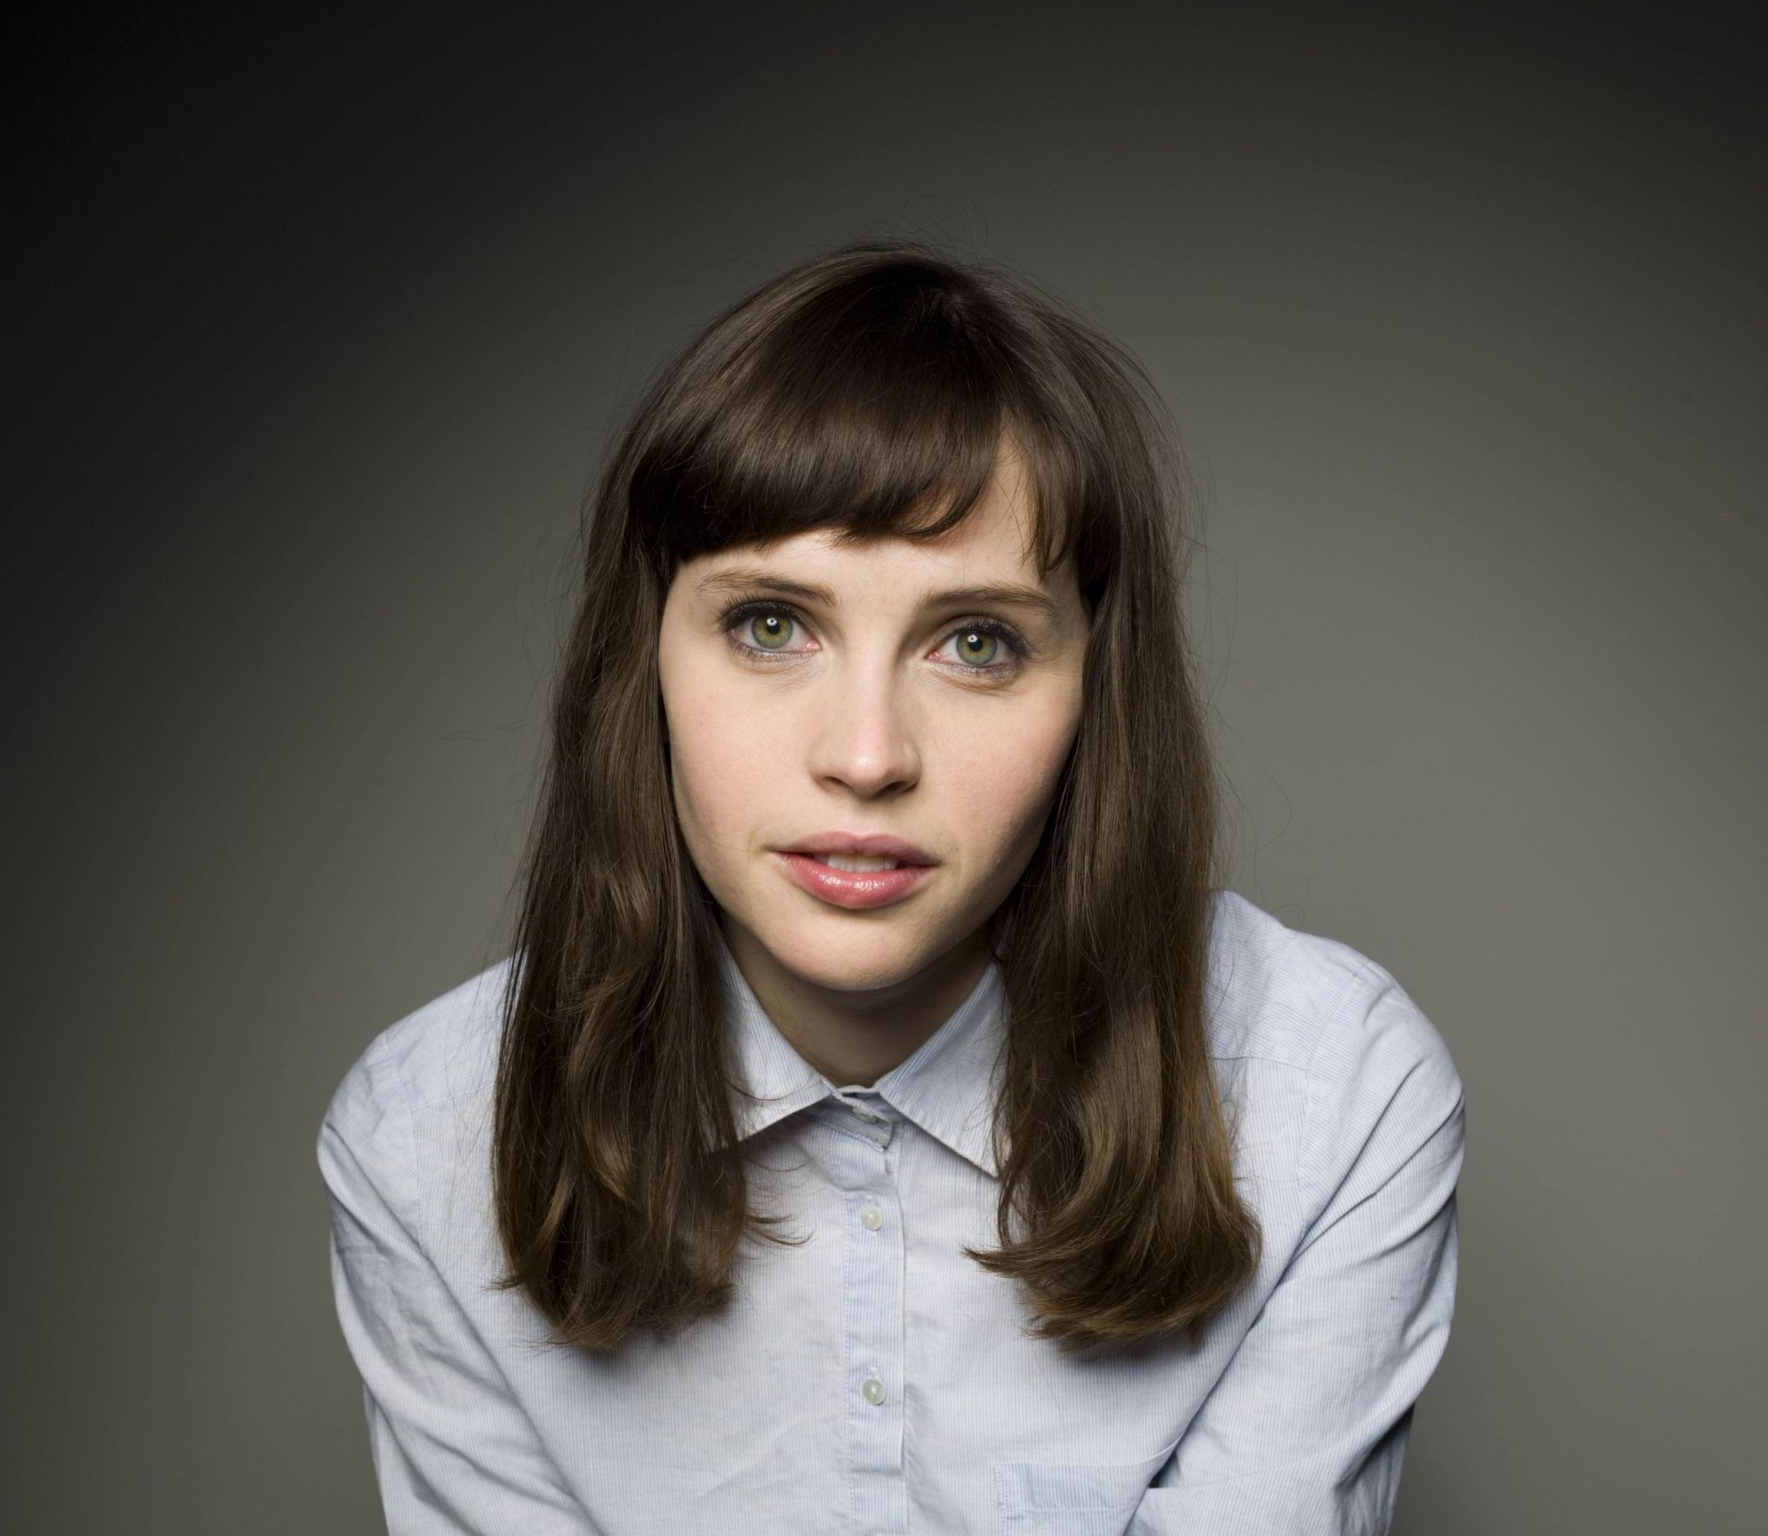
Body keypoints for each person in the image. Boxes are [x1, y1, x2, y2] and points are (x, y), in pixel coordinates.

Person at [317, 243, 1465, 1535]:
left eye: (977, 643)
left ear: (1095, 694)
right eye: (770, 625)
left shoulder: (1333, 1097)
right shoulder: (424, 1142)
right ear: (643, 666)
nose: (866, 758)